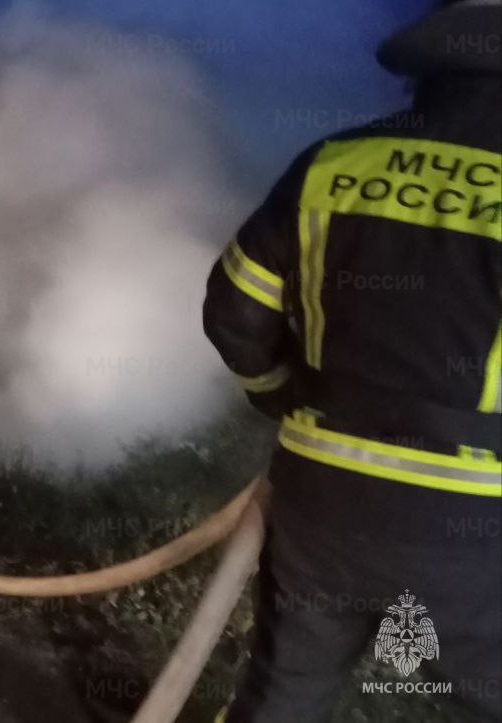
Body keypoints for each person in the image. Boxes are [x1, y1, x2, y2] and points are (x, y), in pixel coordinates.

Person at [203, 2, 501, 721]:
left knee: (283, 693)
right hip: (472, 514)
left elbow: (236, 307)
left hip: (320, 489)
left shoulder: (335, 162)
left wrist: (276, 394)